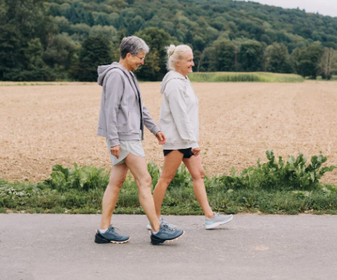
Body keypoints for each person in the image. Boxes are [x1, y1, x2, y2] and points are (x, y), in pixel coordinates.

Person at [95, 36, 184, 245]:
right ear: (128, 55)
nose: (142, 62)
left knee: (116, 183)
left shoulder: (129, 75)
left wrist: (155, 129)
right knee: (144, 180)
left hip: (127, 136)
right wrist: (114, 140)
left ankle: (103, 230)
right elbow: (111, 110)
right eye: (140, 58)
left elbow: (139, 107)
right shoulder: (117, 75)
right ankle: (157, 229)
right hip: (125, 137)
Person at [151, 44, 233, 230]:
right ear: (177, 63)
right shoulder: (173, 84)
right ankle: (154, 218)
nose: (192, 63)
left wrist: (191, 140)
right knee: (166, 177)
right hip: (177, 140)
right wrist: (192, 142)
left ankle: (210, 217)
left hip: (186, 139)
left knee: (199, 174)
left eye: (192, 59)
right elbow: (180, 116)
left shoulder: (184, 80)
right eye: (189, 60)